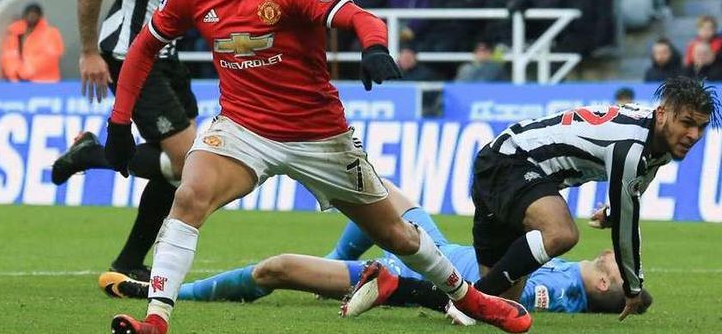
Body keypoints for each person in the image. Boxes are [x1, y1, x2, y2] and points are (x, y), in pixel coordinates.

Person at [104, 0, 531, 334]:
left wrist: (374, 47)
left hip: (318, 136)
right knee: (189, 196)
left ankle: (473, 299)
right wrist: (119, 121)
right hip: (242, 128)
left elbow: (361, 17)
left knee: (396, 236)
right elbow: (143, 47)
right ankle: (156, 320)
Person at [50, 0, 225, 285]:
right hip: (130, 54)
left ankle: (128, 261)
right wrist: (89, 52)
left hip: (168, 58)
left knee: (182, 170)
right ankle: (92, 152)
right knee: (188, 162)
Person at [103, 180, 644, 317]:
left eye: (619, 272)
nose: (621, 262)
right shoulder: (575, 268)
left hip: (411, 271)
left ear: (601, 283)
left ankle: (173, 291)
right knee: (368, 188)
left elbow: (496, 297)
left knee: (274, 269)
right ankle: (339, 259)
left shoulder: (560, 287)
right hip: (428, 244)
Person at [430, 77, 716, 322]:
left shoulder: (657, 144)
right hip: (512, 161)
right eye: (687, 123)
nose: (693, 135)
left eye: (701, 127)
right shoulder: (632, 145)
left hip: (508, 169)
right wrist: (632, 287)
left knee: (504, 301)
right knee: (561, 233)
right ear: (663, 113)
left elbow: (635, 188)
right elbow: (626, 229)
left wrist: (611, 212)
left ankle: (442, 296)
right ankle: (466, 299)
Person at [0, 2, 64, 82]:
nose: (31, 16)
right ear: (23, 16)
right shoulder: (14, 34)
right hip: (17, 83)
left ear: (40, 16)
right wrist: (14, 74)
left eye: (35, 14)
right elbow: (8, 57)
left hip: (46, 83)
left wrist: (26, 70)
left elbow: (50, 57)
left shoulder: (51, 33)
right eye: (29, 13)